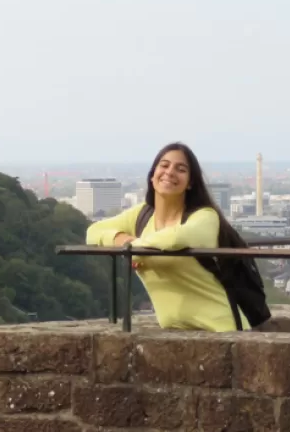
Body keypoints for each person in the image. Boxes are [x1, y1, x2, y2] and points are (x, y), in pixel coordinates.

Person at [85, 142, 249, 331]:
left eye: (181, 169)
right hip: (174, 333)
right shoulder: (141, 216)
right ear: (152, 175)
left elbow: (176, 239)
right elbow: (93, 232)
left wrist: (135, 250)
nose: (170, 172)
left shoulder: (205, 216)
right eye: (164, 165)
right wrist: (122, 240)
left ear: (190, 183)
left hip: (222, 330)